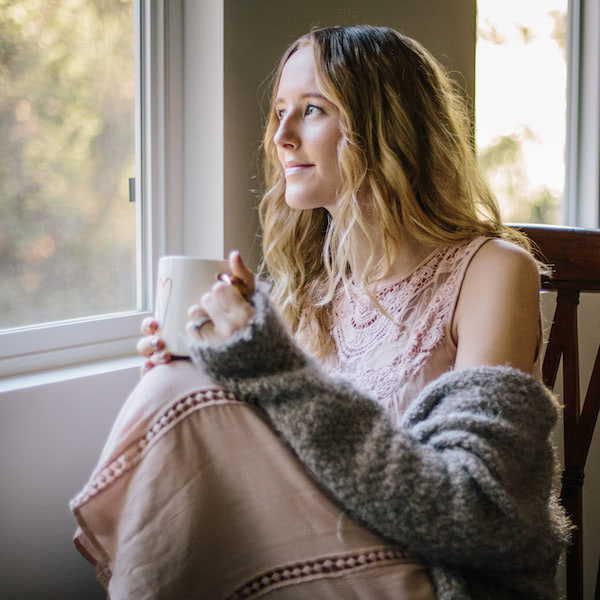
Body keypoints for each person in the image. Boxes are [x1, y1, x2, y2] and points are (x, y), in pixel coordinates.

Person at [72, 25, 570, 599]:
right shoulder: (303, 292)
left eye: (311, 110)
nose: (281, 136)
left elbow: (480, 515)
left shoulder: (492, 272)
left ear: (387, 127)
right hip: (326, 560)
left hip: (446, 579)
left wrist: (272, 369)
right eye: (279, 111)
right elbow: (273, 471)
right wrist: (209, 371)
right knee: (176, 384)